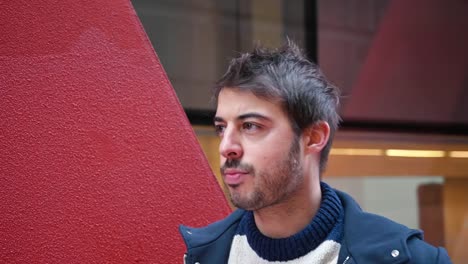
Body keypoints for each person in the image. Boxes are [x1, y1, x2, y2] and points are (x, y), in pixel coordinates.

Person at [179, 41, 452, 263]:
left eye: (250, 126)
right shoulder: (204, 255)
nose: (227, 146)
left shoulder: (409, 258)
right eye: (221, 128)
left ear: (313, 137)